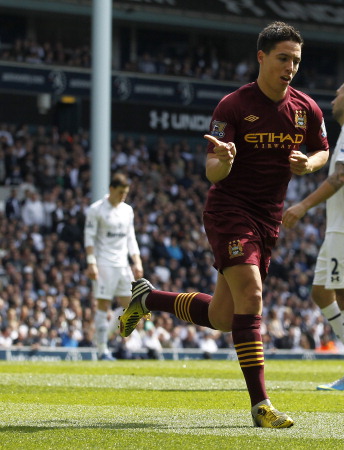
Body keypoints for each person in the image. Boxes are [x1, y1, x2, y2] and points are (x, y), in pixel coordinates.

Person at [119, 21, 329, 427]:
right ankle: (260, 405)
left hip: (269, 218)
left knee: (221, 317)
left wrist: (310, 164)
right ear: (261, 57)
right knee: (252, 296)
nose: (290, 67)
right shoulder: (232, 106)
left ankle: (149, 299)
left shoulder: (306, 108)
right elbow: (212, 171)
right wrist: (225, 161)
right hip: (230, 209)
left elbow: (322, 150)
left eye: (296, 61)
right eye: (283, 58)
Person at [283, 79, 344, 390]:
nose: (334, 100)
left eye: (338, 95)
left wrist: (303, 206)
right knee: (321, 292)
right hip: (340, 226)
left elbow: (341, 176)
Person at [85, 172, 143, 360]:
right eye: (120, 192)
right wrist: (91, 262)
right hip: (104, 263)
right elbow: (89, 238)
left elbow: (131, 238)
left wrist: (137, 261)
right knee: (103, 305)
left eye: (125, 193)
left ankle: (104, 337)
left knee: (134, 307)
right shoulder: (96, 210)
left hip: (122, 264)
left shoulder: (127, 210)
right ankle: (102, 350)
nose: (122, 196)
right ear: (111, 189)